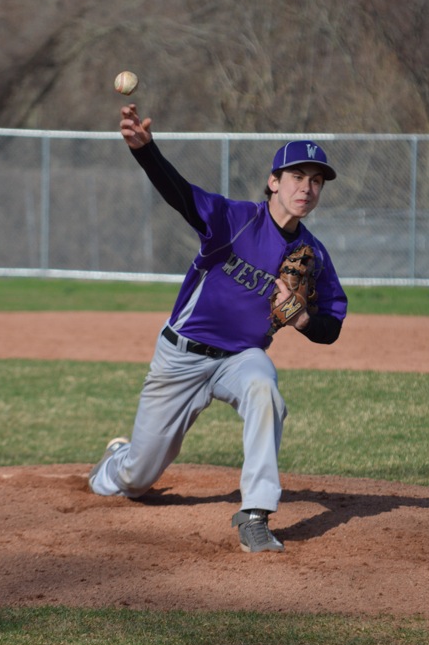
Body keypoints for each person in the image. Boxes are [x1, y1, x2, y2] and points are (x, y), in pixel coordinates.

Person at [89, 104, 348, 553]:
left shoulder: (314, 255)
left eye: (316, 181)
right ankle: (115, 462)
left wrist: (303, 319)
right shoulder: (234, 219)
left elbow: (332, 326)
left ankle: (256, 514)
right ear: (274, 182)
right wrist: (146, 151)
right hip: (182, 355)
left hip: (241, 358)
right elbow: (180, 195)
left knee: (265, 389)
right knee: (137, 479)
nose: (306, 188)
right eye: (297, 177)